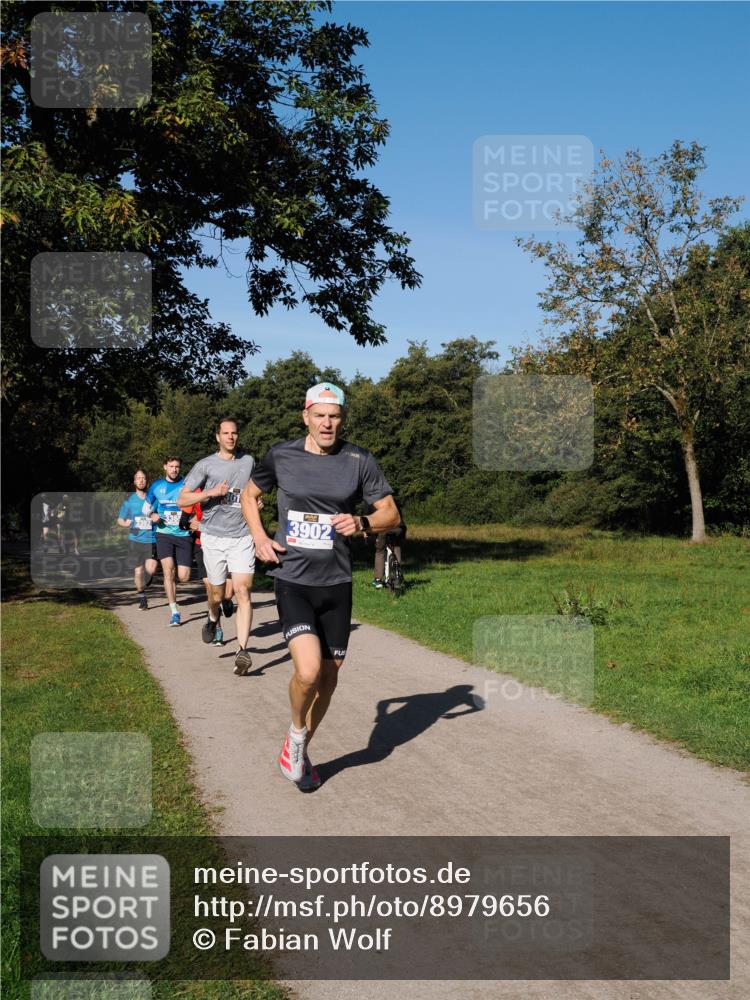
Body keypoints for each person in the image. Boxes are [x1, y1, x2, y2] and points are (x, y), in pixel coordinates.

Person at [240, 382, 400, 791]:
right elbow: (249, 493)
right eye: (320, 416)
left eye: (335, 417)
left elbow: (390, 514)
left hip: (337, 580)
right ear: (306, 416)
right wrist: (259, 537)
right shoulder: (282, 454)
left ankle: (298, 750)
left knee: (330, 678)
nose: (328, 424)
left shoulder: (358, 459)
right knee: (308, 671)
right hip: (293, 577)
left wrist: (363, 523)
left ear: (341, 419)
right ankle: (296, 734)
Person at [178, 419, 256, 673]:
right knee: (217, 595)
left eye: (234, 433)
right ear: (217, 437)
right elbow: (182, 500)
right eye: (226, 433)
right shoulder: (206, 465)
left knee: (243, 592)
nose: (231, 437)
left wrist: (256, 503)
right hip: (213, 537)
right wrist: (209, 493)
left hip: (242, 536)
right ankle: (212, 618)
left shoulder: (248, 462)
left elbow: (252, 492)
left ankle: (242, 651)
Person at [179, 491, 235, 647]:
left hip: (229, 543)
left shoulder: (230, 488)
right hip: (202, 545)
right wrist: (190, 524)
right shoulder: (196, 492)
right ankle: (216, 626)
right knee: (212, 589)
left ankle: (227, 601)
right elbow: (182, 522)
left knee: (227, 593)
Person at [143, 457, 191, 626]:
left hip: (183, 535)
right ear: (165, 467)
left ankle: (174, 583)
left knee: (183, 576)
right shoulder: (156, 486)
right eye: (171, 466)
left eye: (177, 466)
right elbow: (145, 508)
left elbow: (196, 504)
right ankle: (174, 612)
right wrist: (152, 515)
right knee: (168, 571)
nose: (174, 469)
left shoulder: (187, 484)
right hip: (163, 533)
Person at [117, 469, 158, 610]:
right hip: (135, 540)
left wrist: (157, 518)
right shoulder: (129, 501)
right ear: (134, 482)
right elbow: (120, 519)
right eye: (138, 478)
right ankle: (142, 597)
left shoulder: (153, 499)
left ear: (147, 481)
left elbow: (159, 515)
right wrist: (125, 523)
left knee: (151, 570)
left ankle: (147, 580)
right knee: (138, 572)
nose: (141, 480)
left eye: (143, 478)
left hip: (151, 539)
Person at [371, 500, 407, 589]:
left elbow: (370, 520)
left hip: (383, 528)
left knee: (380, 551)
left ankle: (378, 580)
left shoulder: (374, 502)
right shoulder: (393, 501)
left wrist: (367, 533)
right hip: (398, 528)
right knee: (397, 545)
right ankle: (398, 573)